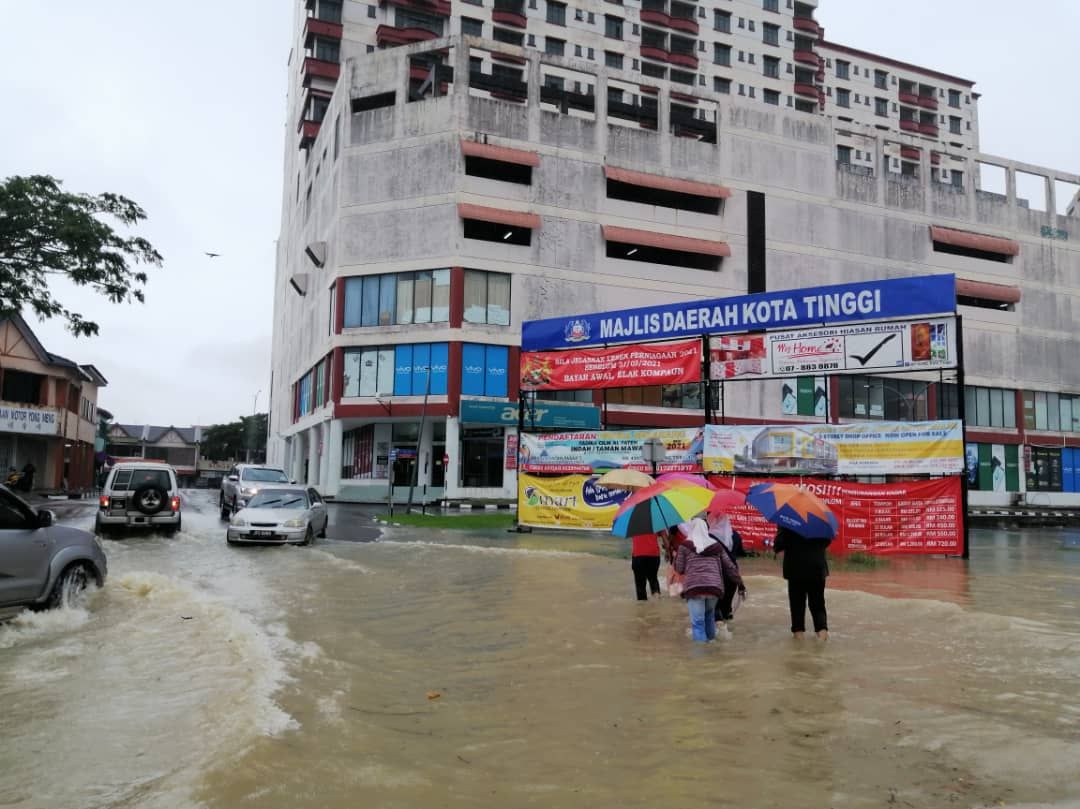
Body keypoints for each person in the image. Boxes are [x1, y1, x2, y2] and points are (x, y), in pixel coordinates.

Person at [674, 517, 744, 642]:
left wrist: (677, 558)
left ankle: (701, 659)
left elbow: (679, 568)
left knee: (698, 623)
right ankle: (712, 651)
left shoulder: (685, 546)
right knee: (709, 618)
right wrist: (740, 584)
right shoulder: (716, 546)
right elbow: (730, 566)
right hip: (714, 588)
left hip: (694, 588)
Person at [773, 525, 830, 640]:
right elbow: (826, 542)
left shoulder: (787, 521)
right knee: (818, 606)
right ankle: (822, 640)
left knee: (797, 607)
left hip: (796, 570)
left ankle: (799, 651)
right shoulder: (820, 520)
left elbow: (778, 546)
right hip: (817, 569)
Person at [707, 513, 744, 623]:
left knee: (714, 608)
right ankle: (728, 633)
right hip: (732, 577)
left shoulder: (708, 537)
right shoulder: (735, 535)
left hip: (715, 576)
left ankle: (718, 636)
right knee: (727, 608)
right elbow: (740, 554)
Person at [630, 532, 662, 601]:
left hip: (638, 555)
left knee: (640, 585)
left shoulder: (632, 522)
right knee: (653, 579)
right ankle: (658, 602)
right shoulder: (656, 521)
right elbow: (664, 537)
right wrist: (669, 551)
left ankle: (642, 608)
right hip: (653, 555)